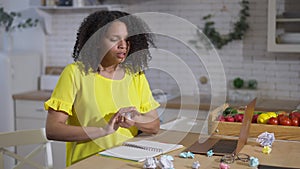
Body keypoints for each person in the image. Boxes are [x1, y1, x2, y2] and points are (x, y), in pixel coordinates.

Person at [44, 10, 160, 166]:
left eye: (127, 40)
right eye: (114, 39)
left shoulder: (135, 76)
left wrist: (134, 119)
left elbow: (154, 126)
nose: (123, 46)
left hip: (128, 162)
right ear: (96, 40)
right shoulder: (75, 73)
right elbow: (53, 130)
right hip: (88, 163)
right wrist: (103, 131)